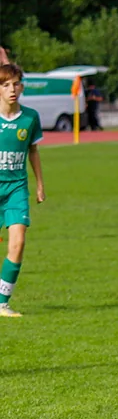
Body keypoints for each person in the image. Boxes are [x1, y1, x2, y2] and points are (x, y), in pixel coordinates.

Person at [0, 64, 45, 318]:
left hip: (17, 189)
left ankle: (2, 303)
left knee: (18, 243)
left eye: (16, 84)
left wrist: (39, 184)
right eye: (5, 85)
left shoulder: (30, 117)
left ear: (22, 86)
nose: (12, 89)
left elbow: (33, 151)